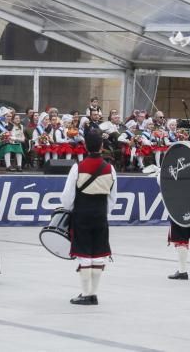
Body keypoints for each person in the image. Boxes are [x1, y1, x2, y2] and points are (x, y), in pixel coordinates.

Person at [60, 131, 116, 305]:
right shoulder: (110, 168)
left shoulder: (78, 167)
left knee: (84, 253)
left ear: (85, 146)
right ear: (101, 146)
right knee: (99, 253)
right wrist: (104, 212)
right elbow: (113, 197)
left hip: (82, 214)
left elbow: (67, 196)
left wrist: (70, 209)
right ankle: (94, 293)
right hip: (100, 214)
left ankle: (86, 294)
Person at [0, 107, 25, 172]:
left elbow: (13, 135)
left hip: (9, 141)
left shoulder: (11, 125)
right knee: (7, 146)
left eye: (10, 116)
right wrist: (3, 138)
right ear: (2, 116)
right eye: (7, 116)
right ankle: (8, 166)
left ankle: (19, 166)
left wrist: (12, 138)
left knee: (18, 145)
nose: (9, 118)